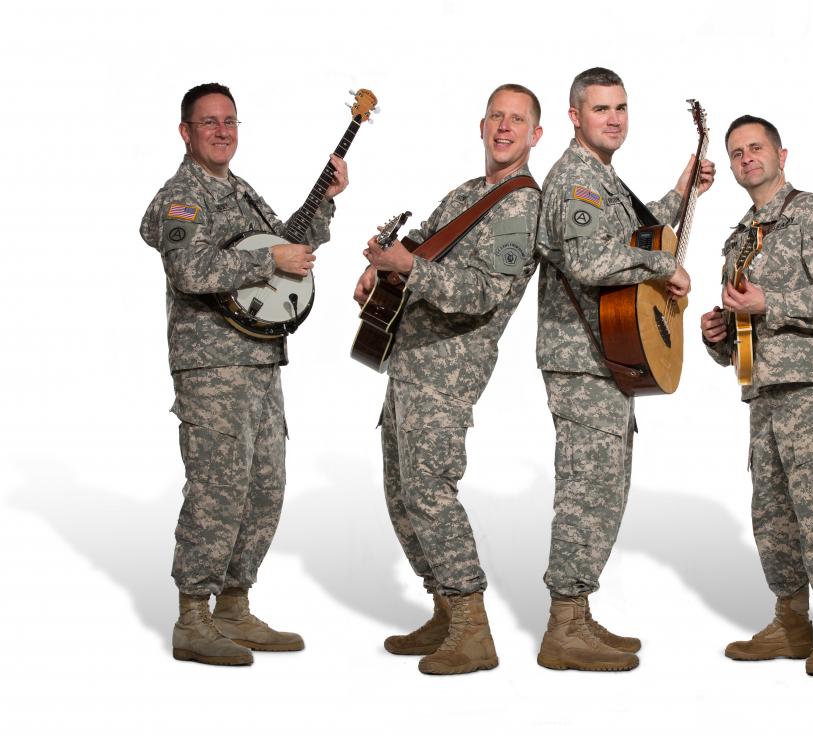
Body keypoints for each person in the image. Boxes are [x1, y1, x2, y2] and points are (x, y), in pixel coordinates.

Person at [140, 82, 348, 666]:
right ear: (186, 132)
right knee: (217, 489)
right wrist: (267, 260)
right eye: (208, 122)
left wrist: (325, 200)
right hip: (212, 366)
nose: (222, 130)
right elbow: (189, 269)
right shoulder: (183, 196)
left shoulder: (241, 190)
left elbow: (289, 244)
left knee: (263, 488)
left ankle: (234, 606)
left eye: (230, 120)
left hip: (260, 358)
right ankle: (192, 618)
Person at [353, 84, 543, 676]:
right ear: (481, 125)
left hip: (450, 366)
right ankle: (442, 607)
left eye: (517, 120)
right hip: (408, 357)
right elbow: (420, 248)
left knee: (430, 485)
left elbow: (483, 293)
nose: (504, 128)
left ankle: (472, 628)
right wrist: (378, 272)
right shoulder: (464, 194)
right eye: (496, 117)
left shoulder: (522, 207)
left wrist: (409, 269)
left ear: (536, 135)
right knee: (401, 487)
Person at [534, 67, 715, 671]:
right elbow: (590, 259)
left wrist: (682, 189)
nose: (613, 118)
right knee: (586, 492)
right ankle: (563, 629)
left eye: (621, 108)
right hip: (581, 360)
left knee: (605, 491)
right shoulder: (577, 179)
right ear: (574, 116)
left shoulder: (603, 178)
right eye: (601, 109)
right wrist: (661, 269)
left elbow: (633, 233)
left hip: (607, 358)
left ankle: (579, 616)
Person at [700, 115, 813, 676]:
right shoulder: (739, 238)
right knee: (771, 515)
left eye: (756, 148)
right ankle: (791, 623)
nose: (747, 158)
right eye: (737, 152)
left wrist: (769, 302)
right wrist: (717, 336)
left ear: (781, 154)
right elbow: (742, 336)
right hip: (762, 391)